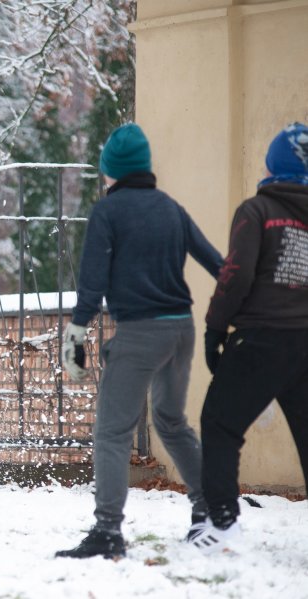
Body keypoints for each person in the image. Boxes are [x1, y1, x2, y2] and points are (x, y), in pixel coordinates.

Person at [56, 123, 224, 559]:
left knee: (112, 432)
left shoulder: (107, 212)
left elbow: (92, 283)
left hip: (140, 333)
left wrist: (77, 330)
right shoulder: (171, 208)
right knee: (170, 422)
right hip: (181, 330)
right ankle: (211, 510)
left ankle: (107, 531)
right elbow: (218, 265)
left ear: (110, 170)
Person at [188, 123, 308, 553]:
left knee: (220, 424)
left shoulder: (258, 210)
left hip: (261, 339)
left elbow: (235, 275)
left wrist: (215, 328)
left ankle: (222, 526)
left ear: (274, 163)